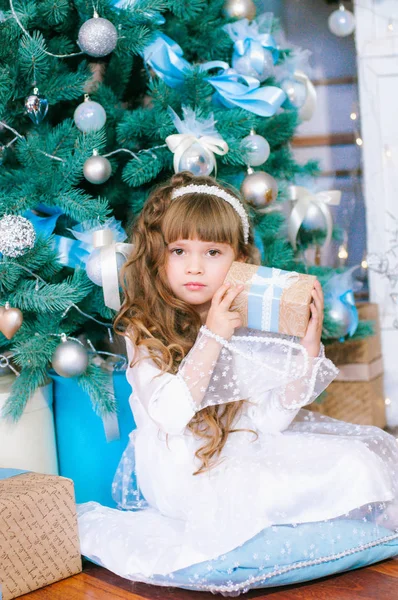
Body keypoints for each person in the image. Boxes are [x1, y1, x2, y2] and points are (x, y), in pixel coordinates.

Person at [78, 172, 398, 594]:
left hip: (242, 447)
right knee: (235, 501)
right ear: (159, 256)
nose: (195, 266)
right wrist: (212, 337)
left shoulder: (251, 321)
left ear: (239, 260)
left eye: (212, 251)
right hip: (182, 469)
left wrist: (306, 349)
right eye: (179, 250)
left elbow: (268, 422)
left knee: (357, 463)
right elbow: (170, 415)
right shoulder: (142, 329)